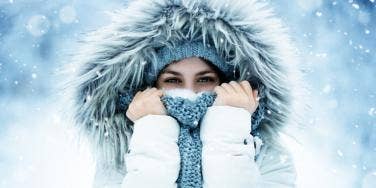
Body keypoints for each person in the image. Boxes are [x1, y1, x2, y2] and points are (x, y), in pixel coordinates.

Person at [70, 0, 303, 187]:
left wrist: (228, 131)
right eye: (173, 80)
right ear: (151, 89)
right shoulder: (122, 154)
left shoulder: (266, 152)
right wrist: (152, 131)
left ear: (226, 84)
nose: (190, 91)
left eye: (205, 79)